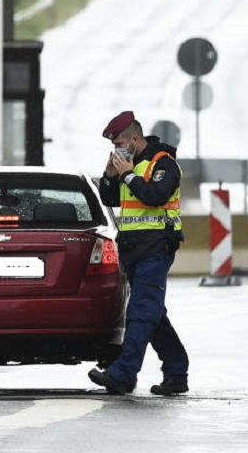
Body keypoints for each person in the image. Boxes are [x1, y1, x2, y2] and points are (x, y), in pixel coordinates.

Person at [88, 111, 190, 396]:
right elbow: (111, 199)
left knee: (141, 311)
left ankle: (123, 373)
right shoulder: (127, 166)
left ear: (135, 139)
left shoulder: (163, 163)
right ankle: (176, 370)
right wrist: (110, 178)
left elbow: (155, 195)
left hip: (157, 247)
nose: (116, 149)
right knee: (153, 313)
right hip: (133, 249)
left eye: (120, 142)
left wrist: (128, 175)